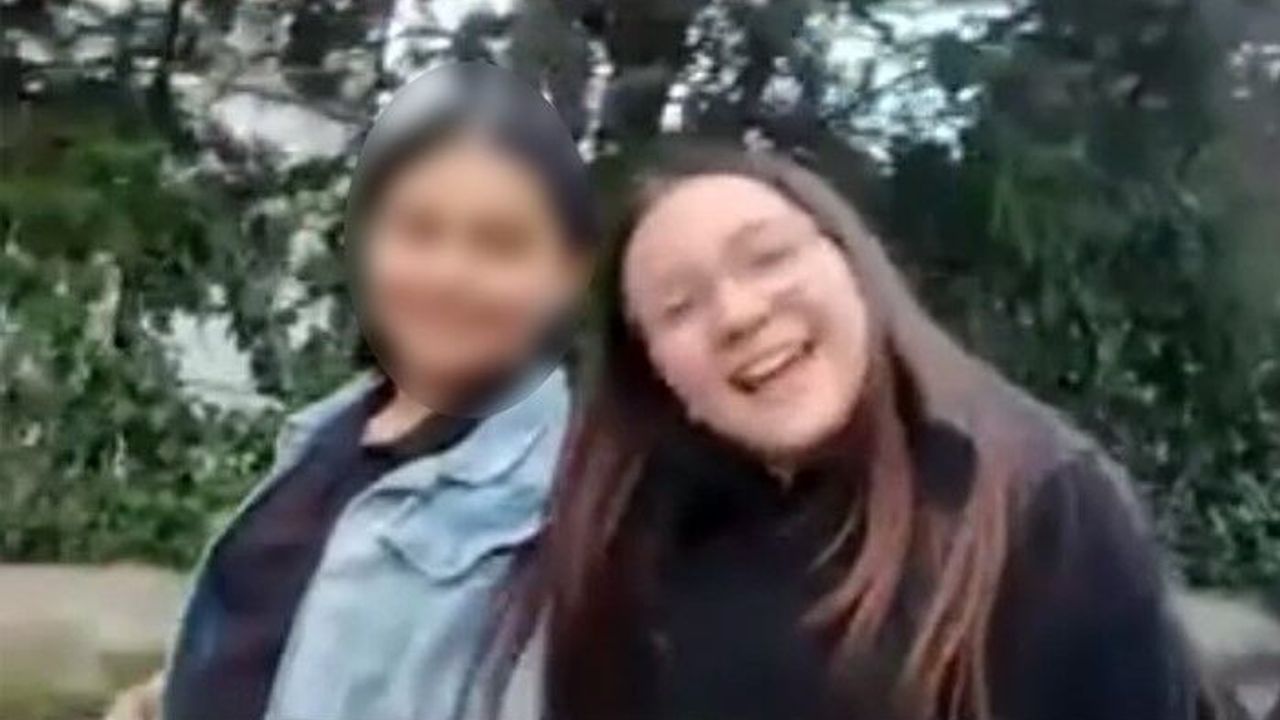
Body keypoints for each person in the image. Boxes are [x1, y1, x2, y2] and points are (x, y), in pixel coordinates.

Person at [505, 144, 1212, 720]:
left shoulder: (1041, 506)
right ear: (658, 376)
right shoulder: (625, 563)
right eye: (679, 306)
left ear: (853, 267)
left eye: (768, 257)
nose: (739, 314)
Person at [104, 61, 594, 720]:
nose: (447, 274)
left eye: (499, 244)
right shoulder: (328, 431)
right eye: (417, 231)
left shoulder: (571, 504)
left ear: (565, 273)